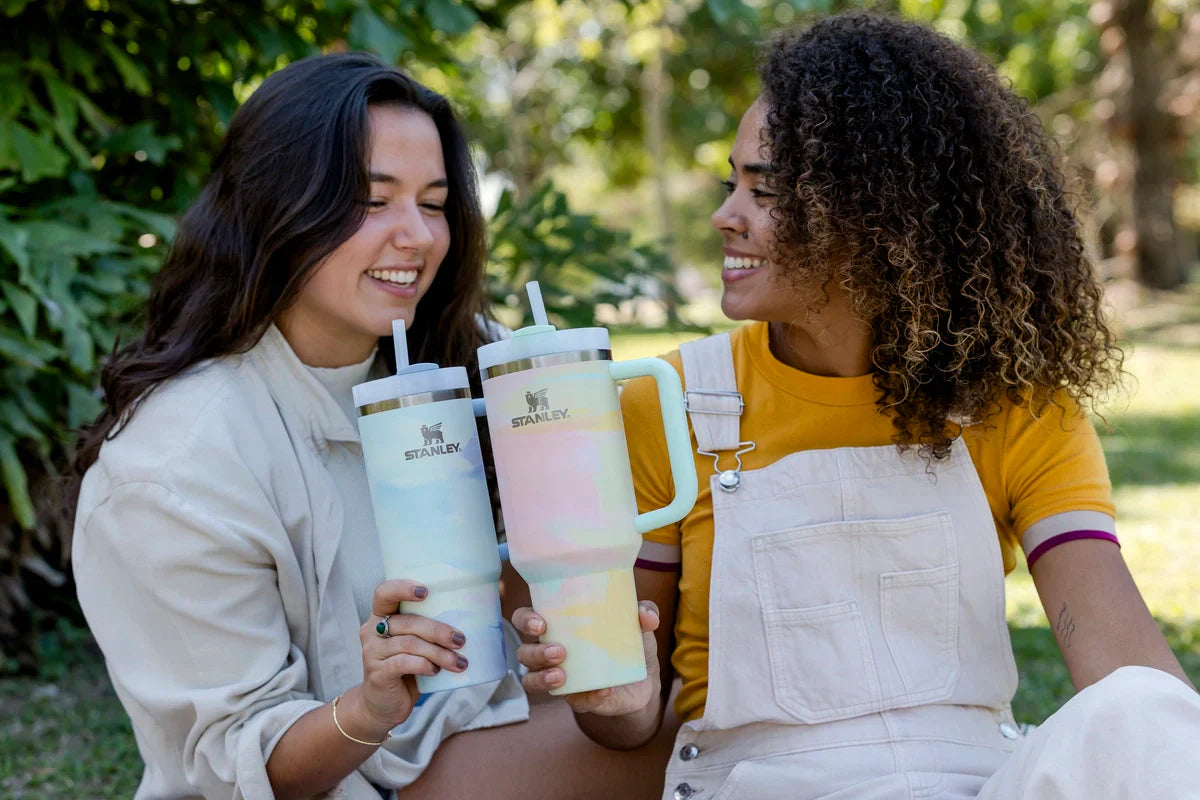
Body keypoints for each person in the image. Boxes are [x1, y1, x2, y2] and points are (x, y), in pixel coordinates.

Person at [514, 12, 1200, 799]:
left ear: (882, 221)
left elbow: (1133, 684)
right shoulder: (662, 403)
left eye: (765, 190)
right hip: (759, 787)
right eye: (731, 182)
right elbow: (627, 722)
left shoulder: (1017, 409)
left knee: (1147, 710)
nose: (725, 215)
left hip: (972, 782)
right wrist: (620, 697)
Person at [70, 53, 676, 799]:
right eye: (372, 199)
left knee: (726, 733)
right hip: (345, 781)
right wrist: (370, 705)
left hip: (481, 730)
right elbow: (236, 765)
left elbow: (566, 668)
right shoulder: (175, 463)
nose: (416, 237)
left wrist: (625, 692)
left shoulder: (466, 361)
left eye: (434, 202)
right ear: (274, 206)